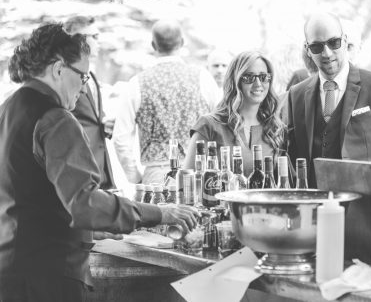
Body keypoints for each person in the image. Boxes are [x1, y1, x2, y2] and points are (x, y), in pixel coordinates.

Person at [0, 23, 197, 302]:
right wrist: (161, 213)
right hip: (48, 277)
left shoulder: (8, 109)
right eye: (83, 77)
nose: (83, 88)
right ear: (58, 69)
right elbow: (85, 204)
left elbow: (31, 197)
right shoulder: (56, 119)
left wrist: (91, 227)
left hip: (10, 270)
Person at [285, 12, 371, 188]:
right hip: (314, 207)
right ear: (308, 49)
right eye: (317, 47)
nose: (327, 53)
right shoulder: (296, 94)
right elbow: (294, 157)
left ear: (345, 40)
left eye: (334, 43)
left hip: (365, 206)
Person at [112, 20, 218, 184]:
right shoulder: (203, 78)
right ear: (182, 43)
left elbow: (121, 138)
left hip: (156, 176)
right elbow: (220, 125)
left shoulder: (137, 83)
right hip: (198, 171)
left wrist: (136, 178)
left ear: (153, 45)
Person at [183, 51, 285, 175]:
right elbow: (186, 179)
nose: (258, 84)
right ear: (235, 81)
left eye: (264, 77)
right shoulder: (209, 125)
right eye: (249, 77)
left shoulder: (275, 128)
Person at [63, 16, 116, 190]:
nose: (98, 42)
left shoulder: (90, 73)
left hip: (100, 170)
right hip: (79, 171)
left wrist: (103, 123)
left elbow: (88, 117)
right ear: (76, 39)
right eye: (93, 36)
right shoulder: (64, 74)